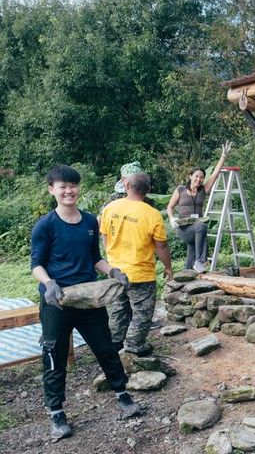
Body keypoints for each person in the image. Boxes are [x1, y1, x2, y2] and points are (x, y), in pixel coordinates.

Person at [31, 165, 142, 440]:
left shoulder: (90, 221)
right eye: (62, 186)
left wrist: (113, 271)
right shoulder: (45, 225)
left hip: (89, 299)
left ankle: (122, 394)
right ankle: (56, 412)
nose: (69, 190)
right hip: (57, 301)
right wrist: (49, 283)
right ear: (52, 190)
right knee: (54, 356)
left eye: (73, 185)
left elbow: (94, 257)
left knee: (105, 347)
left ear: (78, 188)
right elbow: (36, 264)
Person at [100, 172, 174, 356]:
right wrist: (168, 267)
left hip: (115, 271)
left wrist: (111, 259)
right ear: (148, 190)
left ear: (126, 186)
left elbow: (104, 236)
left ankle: (115, 344)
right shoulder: (152, 214)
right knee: (142, 313)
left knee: (118, 309)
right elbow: (161, 246)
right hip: (141, 274)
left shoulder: (111, 208)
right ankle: (133, 347)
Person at [167, 141, 233, 272]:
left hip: (196, 228)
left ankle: (187, 273)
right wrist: (171, 219)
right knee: (201, 227)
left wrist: (223, 157)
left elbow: (215, 173)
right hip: (183, 229)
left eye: (201, 177)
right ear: (190, 176)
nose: (199, 179)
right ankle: (200, 261)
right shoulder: (180, 190)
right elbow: (170, 207)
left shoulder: (203, 190)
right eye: (196, 176)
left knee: (193, 247)